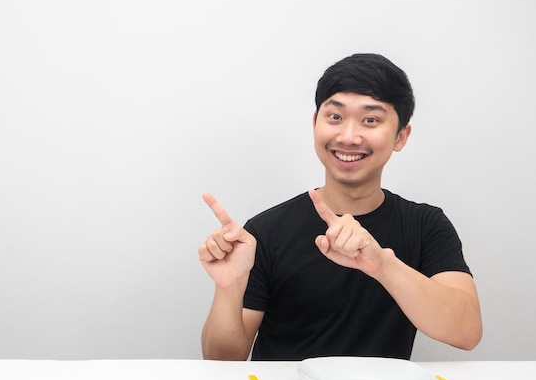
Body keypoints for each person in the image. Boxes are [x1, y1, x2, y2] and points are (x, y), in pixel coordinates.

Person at [198, 53, 483, 361]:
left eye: (370, 120)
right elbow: (222, 362)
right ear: (315, 123)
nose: (348, 136)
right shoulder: (265, 231)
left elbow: (466, 332)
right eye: (335, 117)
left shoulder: (426, 225)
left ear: (401, 136)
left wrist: (383, 266)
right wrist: (229, 289)